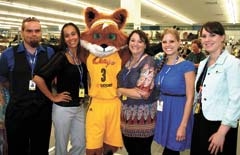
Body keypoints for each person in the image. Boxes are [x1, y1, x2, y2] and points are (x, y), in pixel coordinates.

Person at [0, 17, 55, 155]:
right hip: (17, 112)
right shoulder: (8, 55)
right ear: (22, 32)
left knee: (40, 149)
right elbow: (2, 79)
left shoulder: (49, 53)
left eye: (37, 30)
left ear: (41, 32)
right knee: (17, 149)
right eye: (29, 31)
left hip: (42, 112)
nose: (33, 34)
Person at [32, 22, 88, 155]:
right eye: (67, 36)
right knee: (61, 146)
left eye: (73, 34)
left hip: (79, 108)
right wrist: (53, 96)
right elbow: (38, 78)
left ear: (78, 35)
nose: (71, 38)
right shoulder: (61, 57)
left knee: (80, 144)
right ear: (64, 39)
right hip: (63, 109)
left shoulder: (81, 57)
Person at [190, 21, 240, 155]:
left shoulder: (232, 63)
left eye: (212, 35)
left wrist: (221, 133)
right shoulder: (202, 64)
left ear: (222, 37)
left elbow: (236, 101)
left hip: (219, 125)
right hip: (200, 121)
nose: (207, 40)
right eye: (204, 36)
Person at [154, 28, 195, 155]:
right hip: (164, 110)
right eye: (164, 42)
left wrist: (183, 125)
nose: (168, 45)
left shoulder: (187, 66)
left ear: (179, 43)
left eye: (171, 41)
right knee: (168, 147)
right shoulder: (161, 63)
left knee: (172, 148)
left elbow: (190, 98)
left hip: (178, 112)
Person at [117, 30, 157, 155]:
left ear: (145, 45)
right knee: (131, 150)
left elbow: (143, 93)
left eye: (140, 41)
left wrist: (120, 90)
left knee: (142, 152)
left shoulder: (148, 62)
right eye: (132, 40)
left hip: (143, 119)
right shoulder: (128, 62)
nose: (136, 44)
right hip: (127, 117)